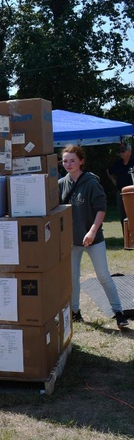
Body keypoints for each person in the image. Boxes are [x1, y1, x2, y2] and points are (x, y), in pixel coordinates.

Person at [60, 144, 129, 329]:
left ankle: (119, 313)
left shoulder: (91, 182)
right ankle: (75, 312)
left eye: (72, 160)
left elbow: (101, 208)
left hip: (94, 239)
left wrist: (92, 231)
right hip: (72, 241)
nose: (68, 164)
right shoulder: (61, 184)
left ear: (81, 161)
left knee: (103, 276)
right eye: (65, 160)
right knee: (72, 278)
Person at [106, 141, 134, 233]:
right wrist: (115, 182)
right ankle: (126, 238)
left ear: (129, 152)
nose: (121, 153)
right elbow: (109, 172)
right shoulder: (118, 164)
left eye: (123, 151)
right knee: (123, 215)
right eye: (120, 151)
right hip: (121, 193)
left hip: (133, 192)